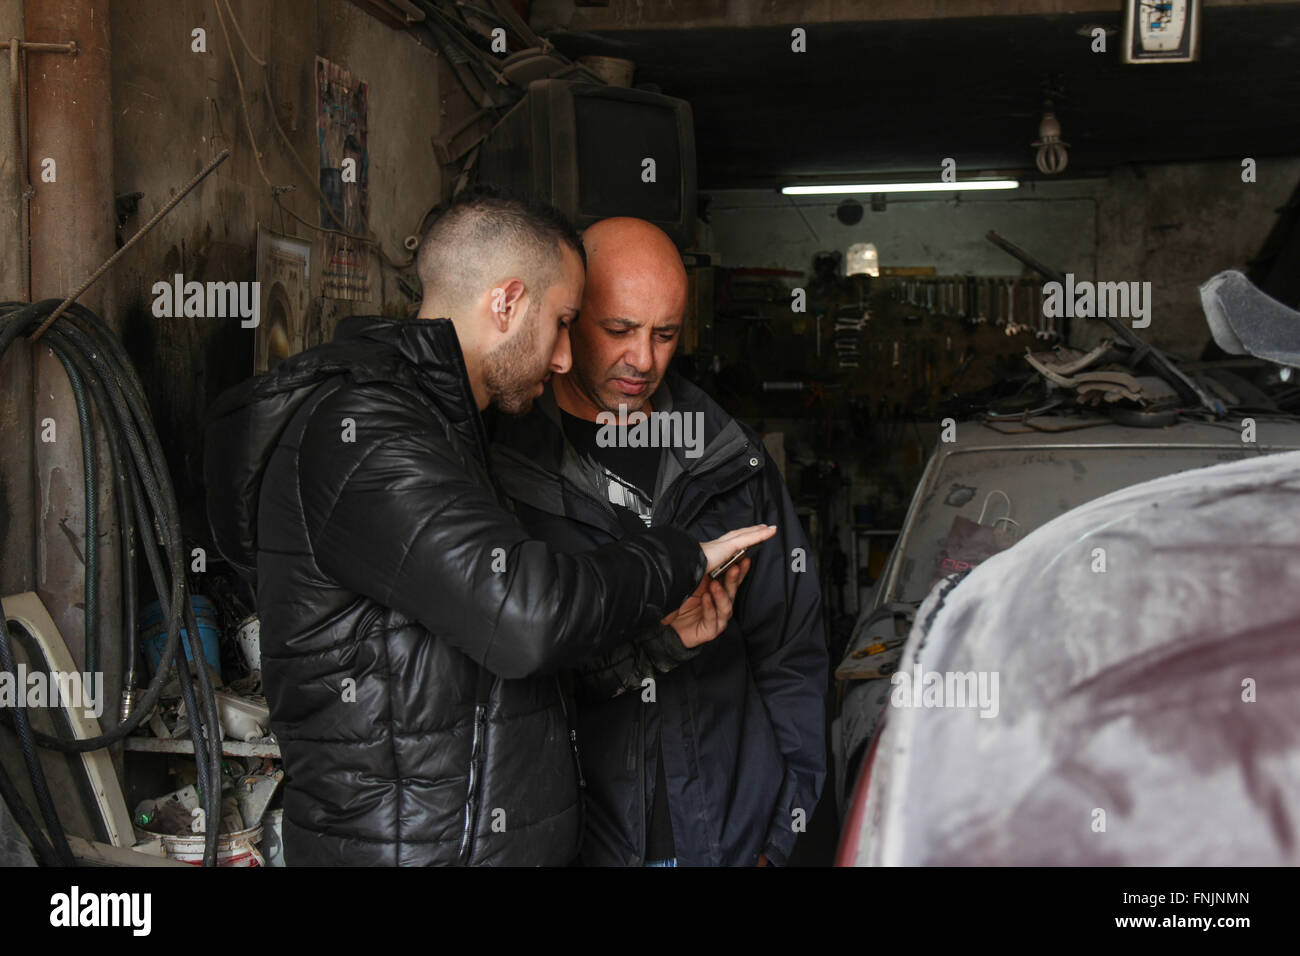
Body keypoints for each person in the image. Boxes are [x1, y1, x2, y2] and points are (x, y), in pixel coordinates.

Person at [203, 191, 773, 866]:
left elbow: (488, 684)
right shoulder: (367, 437)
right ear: (505, 304)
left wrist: (652, 647)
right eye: (562, 322)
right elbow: (526, 615)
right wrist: (679, 558)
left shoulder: (446, 435)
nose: (565, 357)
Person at [491, 217, 828, 867]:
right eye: (618, 331)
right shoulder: (505, 469)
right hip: (579, 846)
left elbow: (793, 656)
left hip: (733, 839)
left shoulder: (730, 462)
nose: (643, 360)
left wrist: (781, 839)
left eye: (665, 335)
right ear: (568, 317)